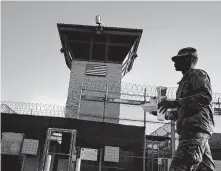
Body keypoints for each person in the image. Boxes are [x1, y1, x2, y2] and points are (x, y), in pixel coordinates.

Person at [157, 47, 215, 171]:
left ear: (189, 60)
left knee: (180, 167)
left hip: (195, 129)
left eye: (178, 59)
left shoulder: (197, 74)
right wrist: (164, 113)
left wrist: (175, 102)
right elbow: (182, 111)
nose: (174, 63)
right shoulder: (184, 81)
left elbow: (205, 97)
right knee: (205, 168)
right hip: (193, 130)